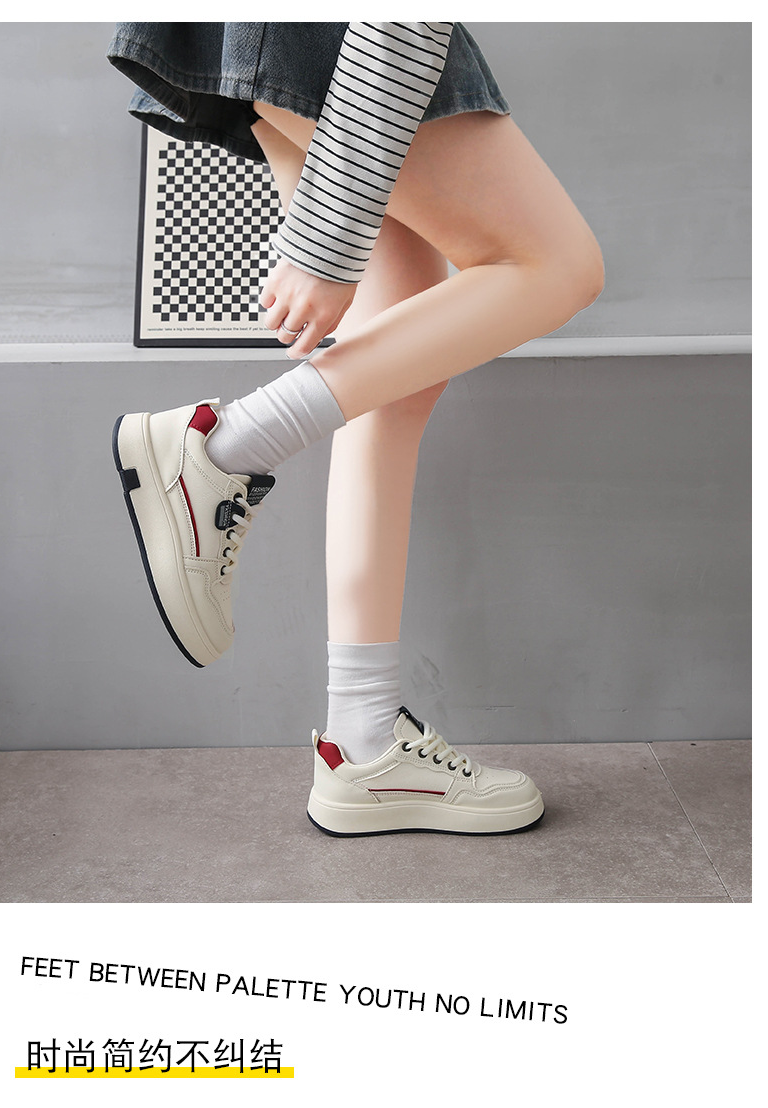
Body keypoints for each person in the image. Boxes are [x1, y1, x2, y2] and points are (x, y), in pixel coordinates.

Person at [107, 22, 604, 837]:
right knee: (556, 263)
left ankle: (364, 741)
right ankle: (225, 447)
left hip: (311, 39)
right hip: (348, 38)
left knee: (398, 376)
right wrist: (326, 241)